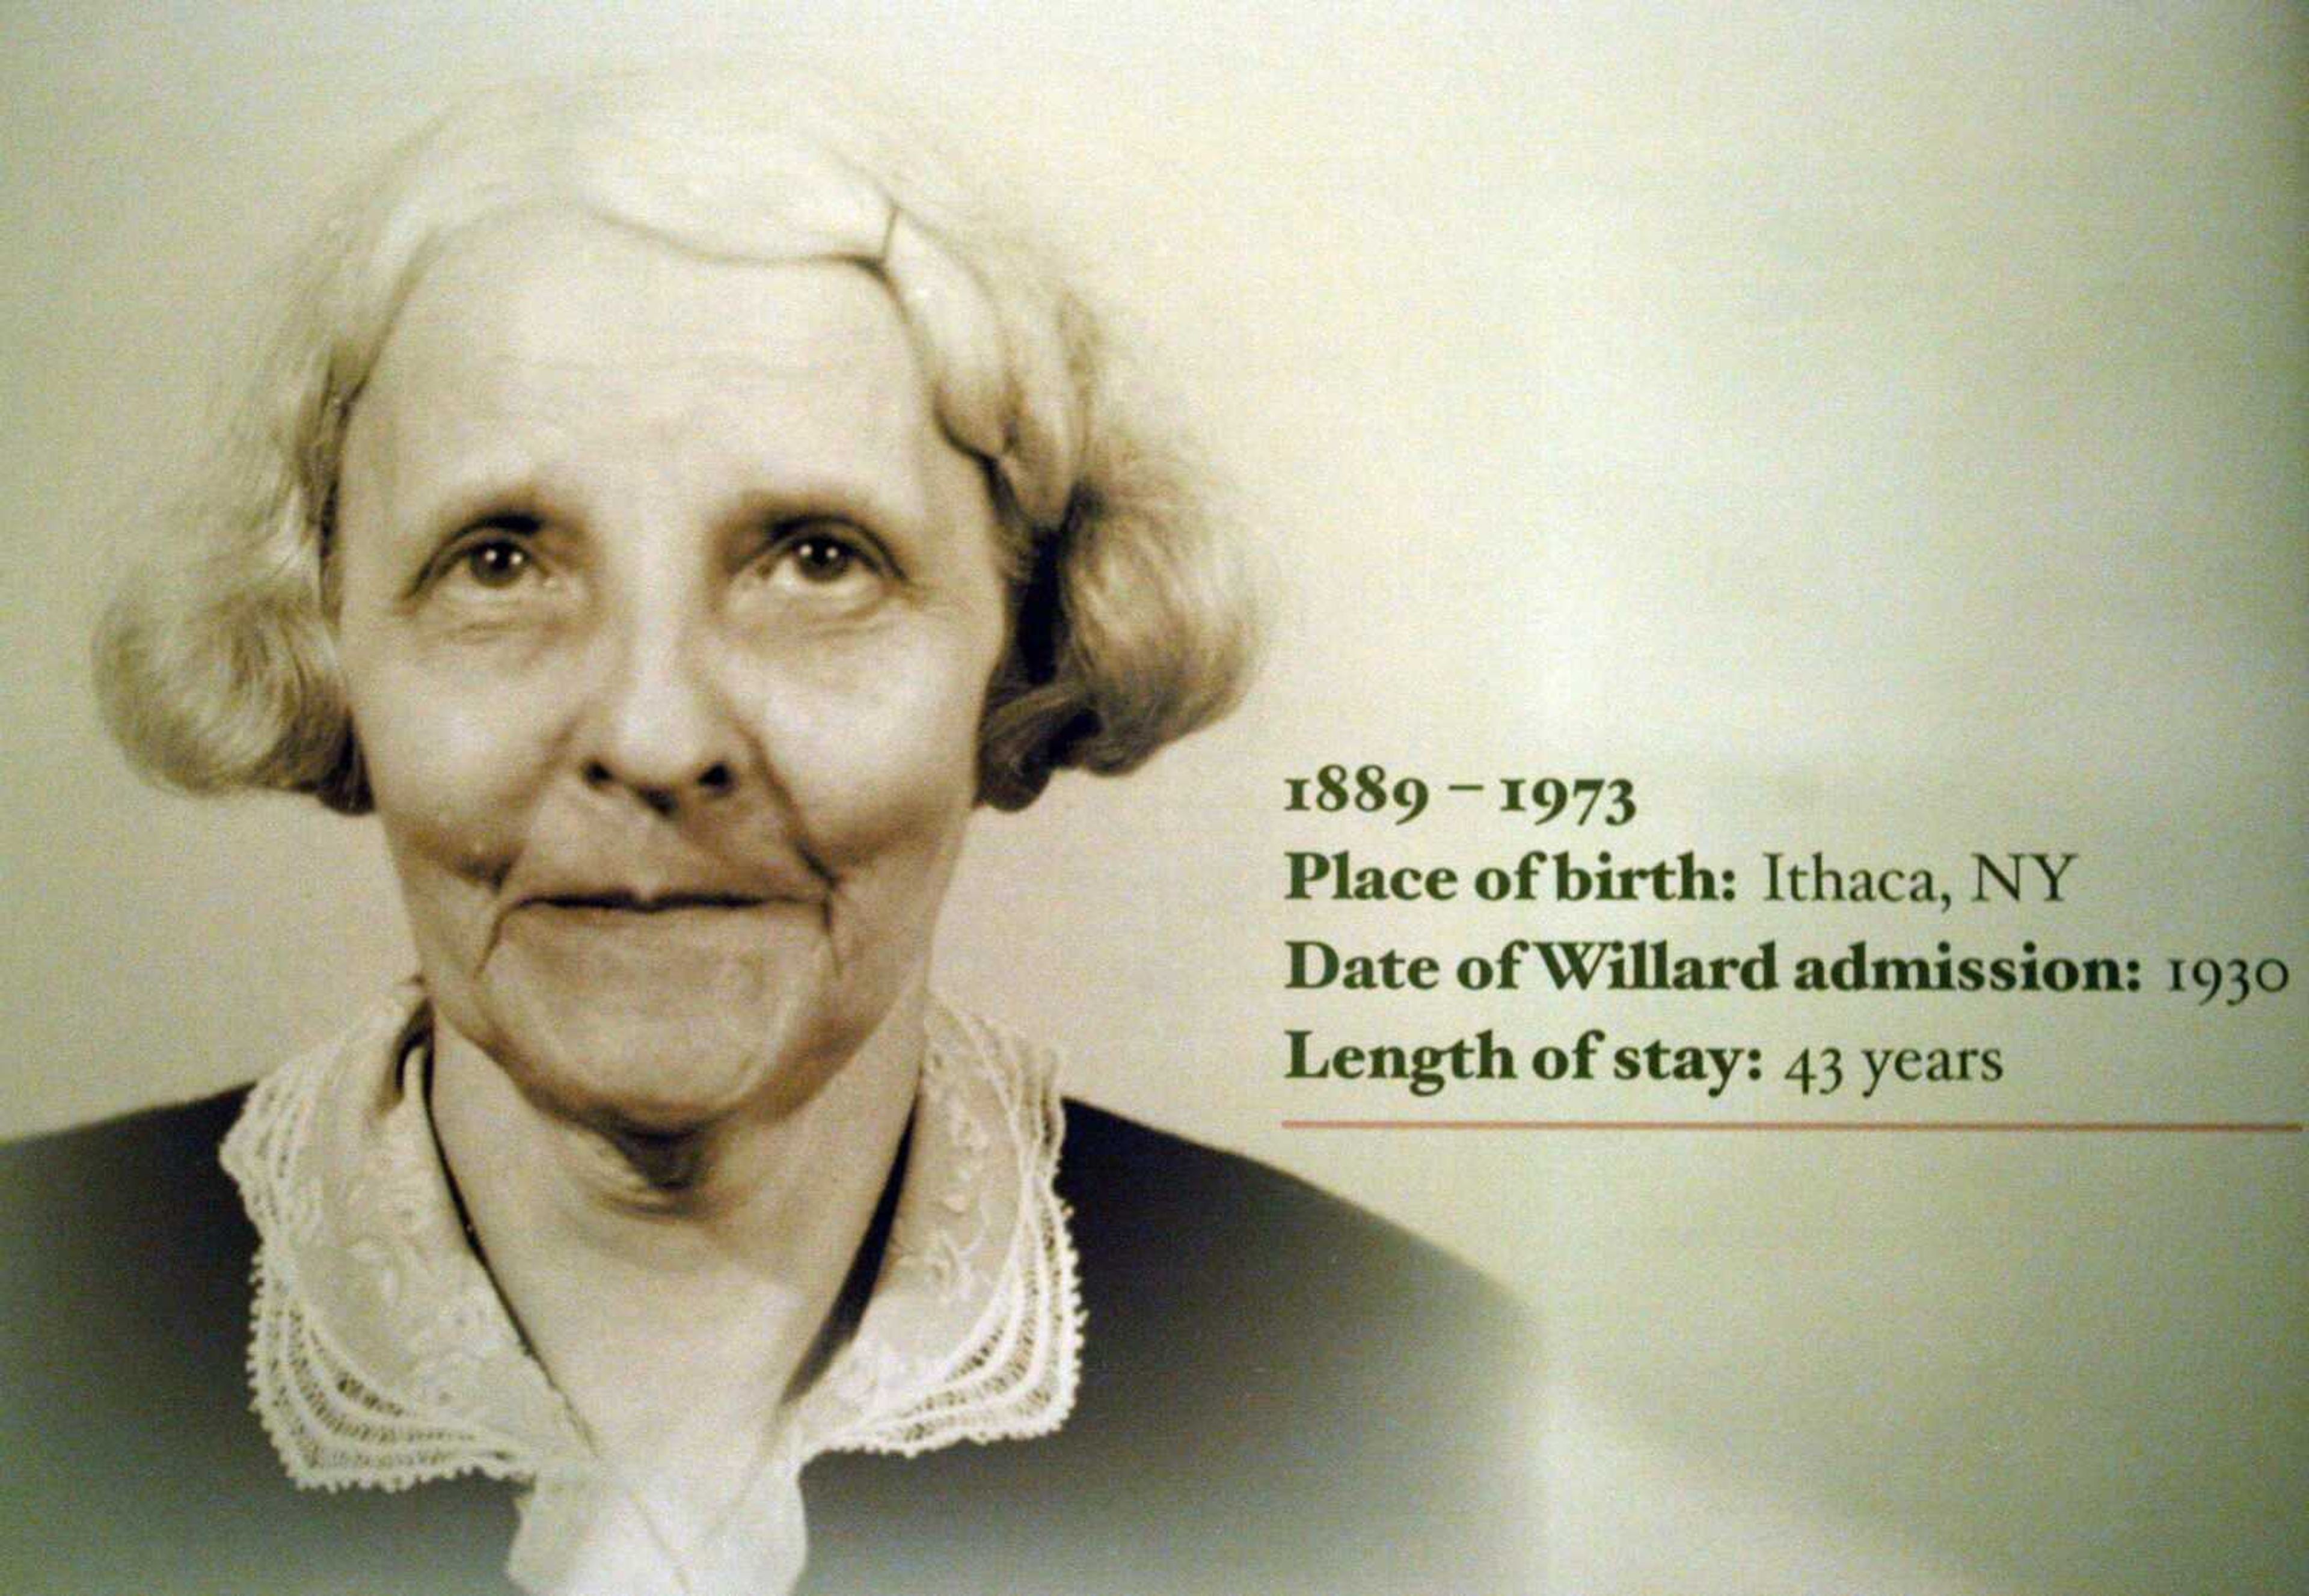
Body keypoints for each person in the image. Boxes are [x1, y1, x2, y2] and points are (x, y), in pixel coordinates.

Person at [2, 70, 1533, 1595]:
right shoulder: (38, 1325)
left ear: (1023, 647)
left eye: (816, 560)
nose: (657, 736)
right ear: (330, 644)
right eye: (498, 562)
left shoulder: (1388, 1384)